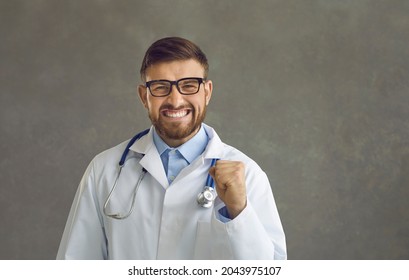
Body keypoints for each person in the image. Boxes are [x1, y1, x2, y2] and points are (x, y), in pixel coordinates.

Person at [57, 37, 286, 260]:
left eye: (188, 85)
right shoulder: (104, 170)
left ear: (207, 92)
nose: (175, 101)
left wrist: (239, 211)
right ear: (143, 96)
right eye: (160, 87)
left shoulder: (248, 175)